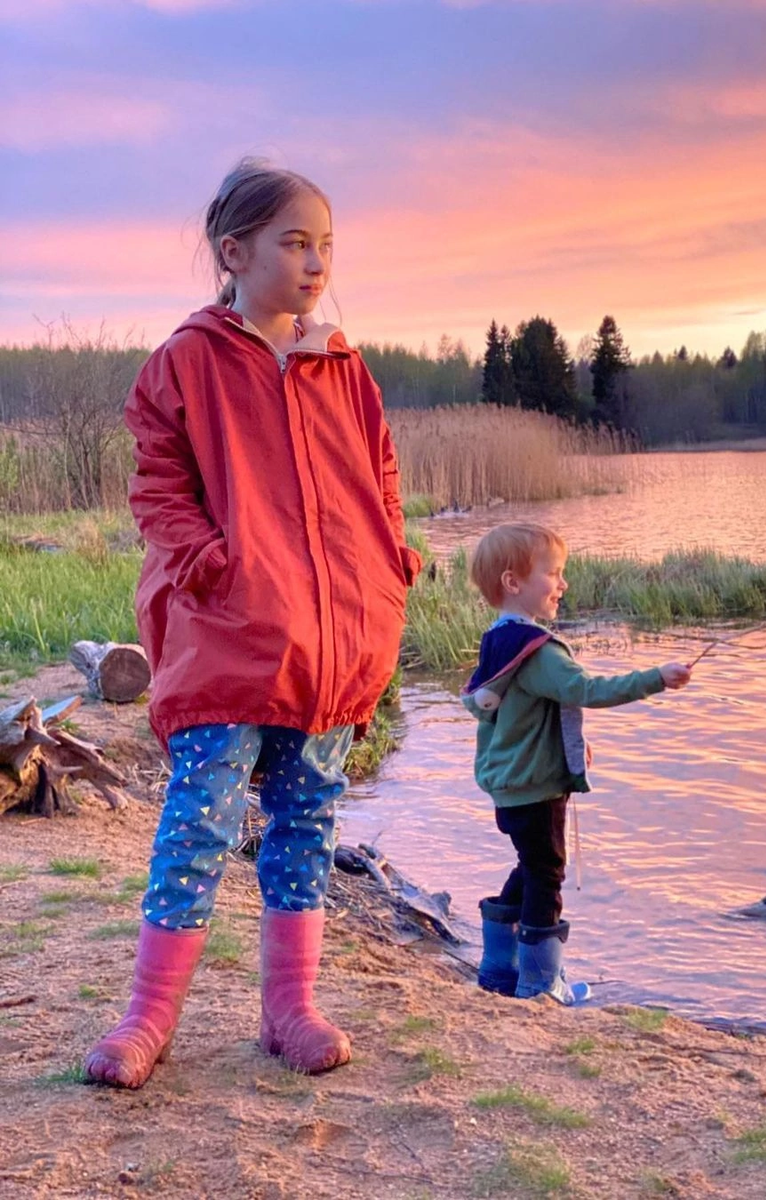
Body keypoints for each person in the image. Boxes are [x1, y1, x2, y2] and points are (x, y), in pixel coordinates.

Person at [84, 158, 421, 1089]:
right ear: (234, 252)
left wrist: (392, 563)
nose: (316, 261)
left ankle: (290, 1008)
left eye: (325, 244)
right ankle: (148, 1018)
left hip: (331, 647)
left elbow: (381, 478)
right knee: (199, 820)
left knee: (306, 820)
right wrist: (209, 565)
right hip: (230, 638)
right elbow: (157, 483)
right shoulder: (187, 362)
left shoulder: (344, 369)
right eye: (295, 241)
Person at [461, 522, 691, 1005]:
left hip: (511, 784)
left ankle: (498, 970)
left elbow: (516, 718)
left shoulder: (498, 642)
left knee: (532, 864)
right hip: (535, 787)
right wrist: (656, 677)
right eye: (554, 574)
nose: (563, 585)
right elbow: (588, 690)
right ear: (513, 583)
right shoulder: (538, 652)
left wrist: (565, 742)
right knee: (547, 874)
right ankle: (541, 985)